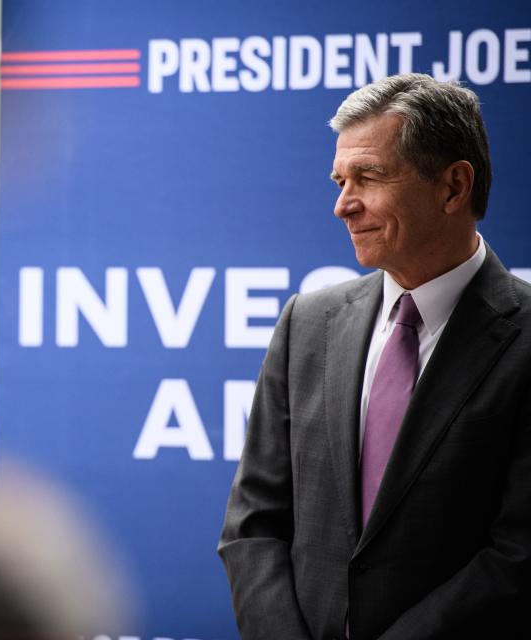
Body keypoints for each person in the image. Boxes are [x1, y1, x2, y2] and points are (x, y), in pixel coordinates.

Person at [218, 73, 530, 640]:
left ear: (454, 187)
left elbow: (518, 554)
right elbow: (254, 523)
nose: (342, 205)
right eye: (339, 180)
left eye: (368, 177)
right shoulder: (306, 324)